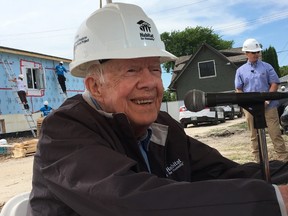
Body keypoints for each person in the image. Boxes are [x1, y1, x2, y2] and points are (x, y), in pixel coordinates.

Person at [27, 3, 288, 216]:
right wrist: (273, 200)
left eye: (154, 69)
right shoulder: (63, 132)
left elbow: (226, 172)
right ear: (95, 86)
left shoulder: (163, 126)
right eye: (132, 70)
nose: (150, 83)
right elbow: (130, 201)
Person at [235, 38, 288, 163]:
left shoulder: (267, 67)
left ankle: (284, 160)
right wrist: (247, 105)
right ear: (246, 53)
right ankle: (259, 162)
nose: (256, 55)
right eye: (253, 52)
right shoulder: (240, 71)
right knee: (254, 136)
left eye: (257, 52)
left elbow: (274, 83)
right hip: (250, 108)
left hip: (269, 106)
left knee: (275, 133)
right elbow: (238, 89)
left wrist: (267, 101)